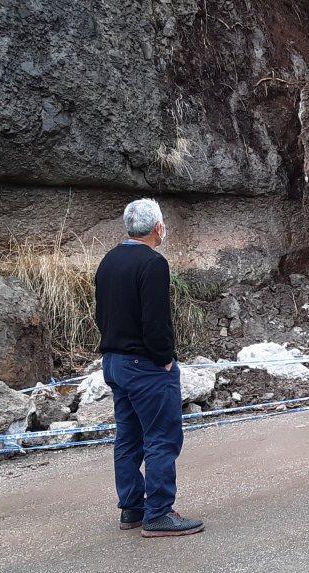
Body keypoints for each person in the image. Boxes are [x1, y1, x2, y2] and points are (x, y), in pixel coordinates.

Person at [95, 198, 204, 537]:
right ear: (158, 227)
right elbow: (155, 320)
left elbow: (101, 314)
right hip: (145, 366)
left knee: (128, 437)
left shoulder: (109, 260)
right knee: (161, 437)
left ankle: (132, 507)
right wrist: (165, 358)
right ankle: (158, 513)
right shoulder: (153, 263)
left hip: (114, 362)